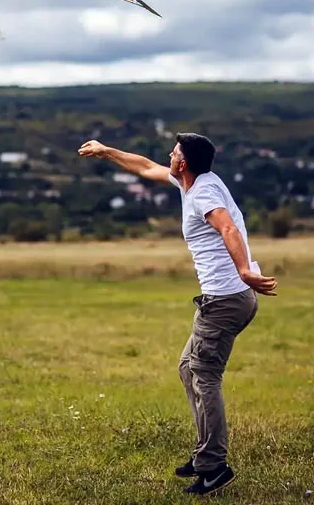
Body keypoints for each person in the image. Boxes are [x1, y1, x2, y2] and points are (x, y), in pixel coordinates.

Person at [78, 132, 278, 497]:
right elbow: (146, 167)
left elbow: (227, 227)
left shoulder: (203, 194)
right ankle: (205, 453)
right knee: (189, 368)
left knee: (204, 375)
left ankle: (214, 467)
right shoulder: (193, 182)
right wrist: (106, 152)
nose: (169, 156)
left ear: (183, 163)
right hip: (227, 296)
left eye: (174, 152)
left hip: (225, 298)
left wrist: (244, 270)